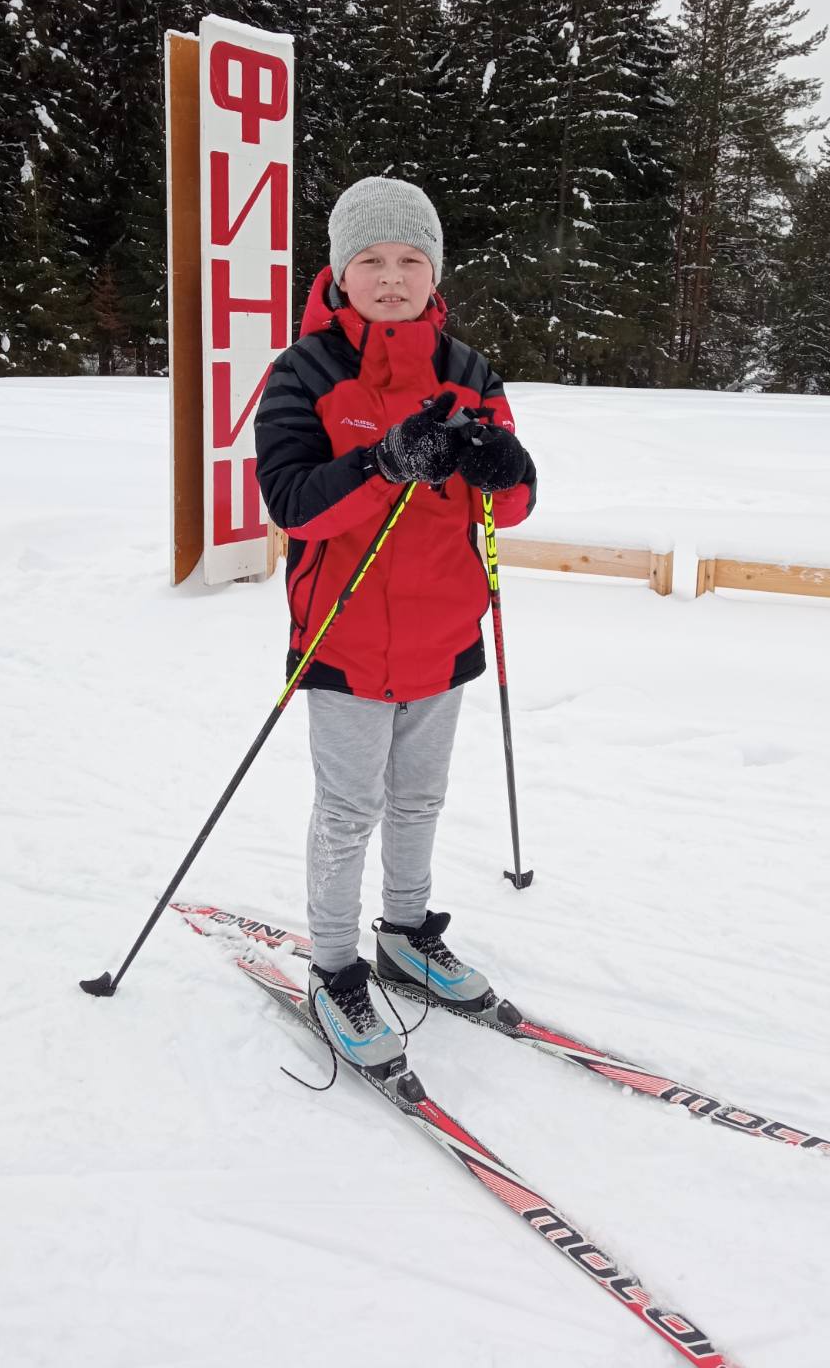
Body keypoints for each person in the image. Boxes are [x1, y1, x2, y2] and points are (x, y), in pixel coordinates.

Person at [254, 177, 536, 1077]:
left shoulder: (468, 369)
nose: (390, 277)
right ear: (340, 270)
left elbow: (515, 502)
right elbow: (293, 504)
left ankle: (406, 935)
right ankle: (334, 966)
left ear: (433, 271)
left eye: (409, 259)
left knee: (419, 801)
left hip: (445, 634)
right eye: (370, 260)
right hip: (343, 638)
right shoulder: (303, 372)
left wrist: (507, 464)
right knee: (348, 811)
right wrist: (383, 463)